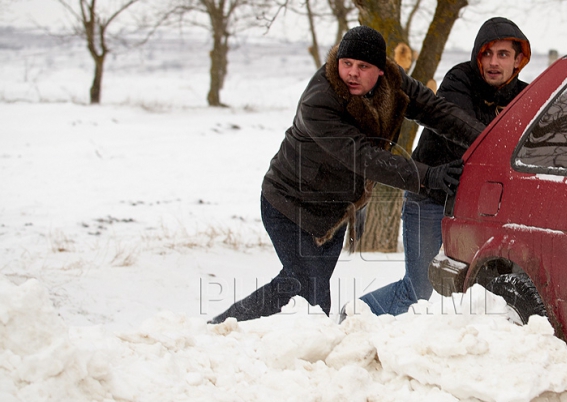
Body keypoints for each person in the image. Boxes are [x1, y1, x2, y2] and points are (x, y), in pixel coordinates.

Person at [209, 26, 486, 324]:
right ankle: (236, 330)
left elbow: (435, 110)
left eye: (363, 66)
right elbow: (365, 157)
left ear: (380, 70)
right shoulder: (320, 101)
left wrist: (489, 140)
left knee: (295, 286)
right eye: (347, 63)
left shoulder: (393, 82)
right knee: (312, 298)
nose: (352, 73)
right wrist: (429, 176)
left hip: (334, 211)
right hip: (288, 205)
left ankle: (228, 327)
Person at [356, 17, 531, 316]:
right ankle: (357, 316)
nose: (493, 62)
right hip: (430, 197)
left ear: (518, 60)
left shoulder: (524, 98)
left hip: (477, 208)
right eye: (487, 53)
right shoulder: (459, 80)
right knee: (419, 290)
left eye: (503, 55)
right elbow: (463, 138)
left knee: (476, 291)